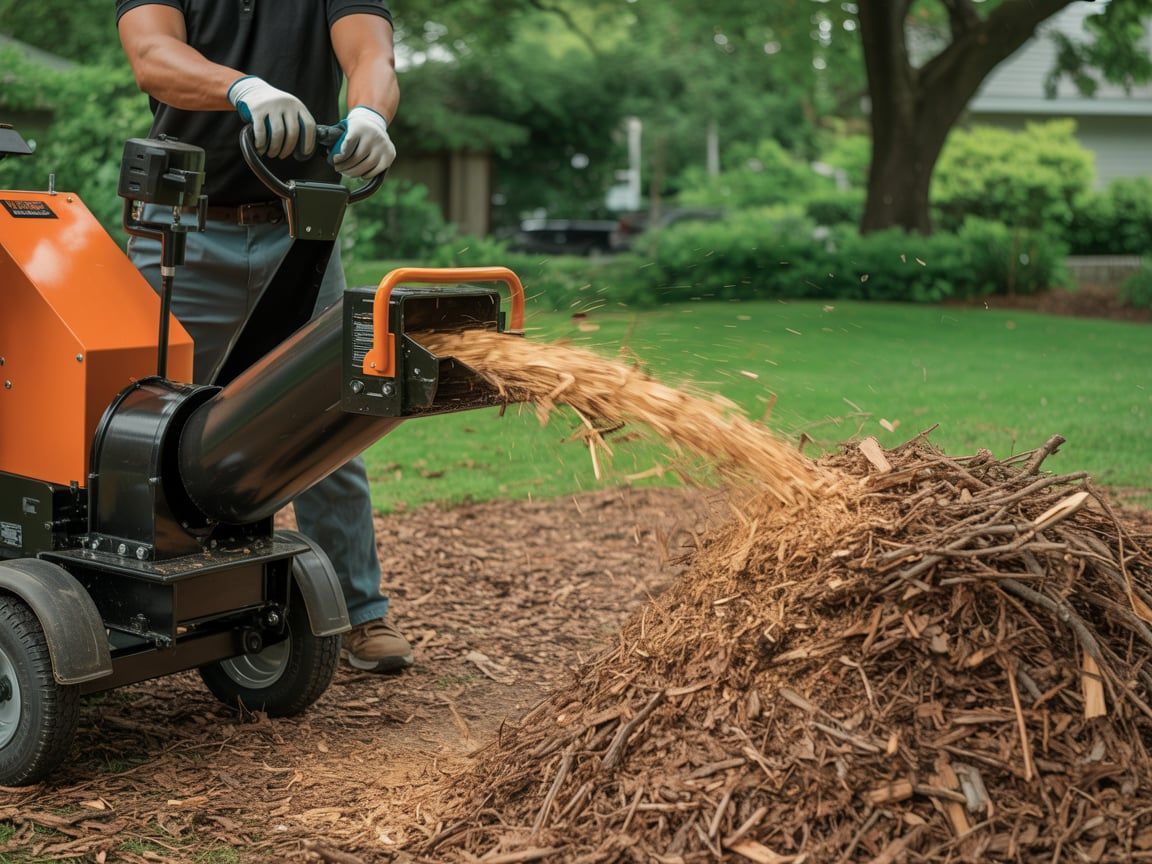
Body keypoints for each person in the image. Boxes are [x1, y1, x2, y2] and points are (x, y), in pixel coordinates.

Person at [116, 0, 413, 673]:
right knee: (141, 423)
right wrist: (240, 87)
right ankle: (136, 610)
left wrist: (369, 111)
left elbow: (371, 55)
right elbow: (152, 57)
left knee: (327, 417)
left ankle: (357, 614)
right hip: (181, 227)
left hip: (298, 224)